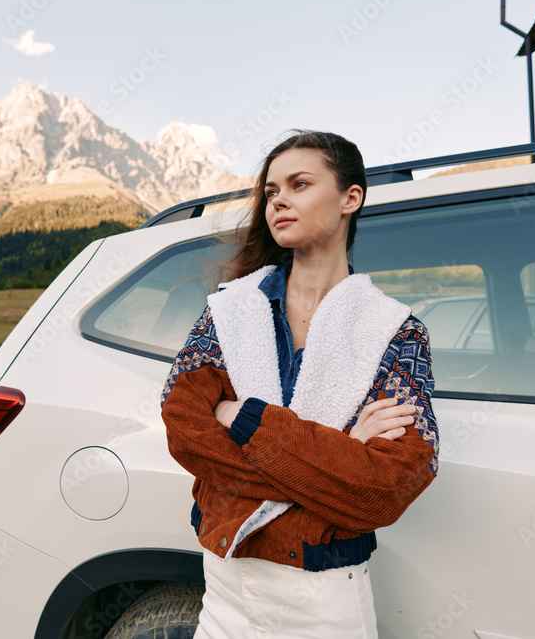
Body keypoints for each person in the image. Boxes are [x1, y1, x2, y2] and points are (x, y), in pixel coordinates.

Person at [159, 130, 439, 638]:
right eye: (271, 192)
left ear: (350, 198)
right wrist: (337, 452)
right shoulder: (229, 310)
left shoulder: (395, 331)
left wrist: (242, 417)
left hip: (322, 595)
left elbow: (385, 489)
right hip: (224, 583)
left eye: (300, 184)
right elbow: (184, 429)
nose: (279, 200)